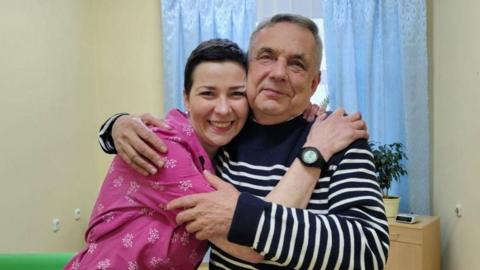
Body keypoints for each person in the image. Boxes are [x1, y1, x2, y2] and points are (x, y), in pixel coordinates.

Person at [99, 14, 389, 269]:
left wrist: (241, 217)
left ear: (314, 83)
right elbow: (171, 134)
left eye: (297, 64)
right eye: (266, 56)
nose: (278, 73)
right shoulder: (224, 134)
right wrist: (115, 126)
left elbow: (369, 250)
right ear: (249, 69)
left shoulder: (337, 138)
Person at [65, 39, 260, 270]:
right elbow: (249, 245)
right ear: (186, 97)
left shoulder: (222, 151)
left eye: (237, 94)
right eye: (208, 93)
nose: (223, 109)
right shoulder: (161, 145)